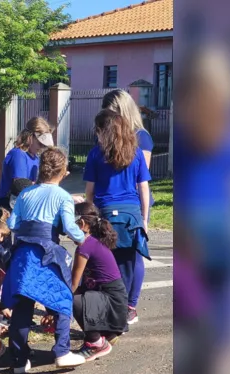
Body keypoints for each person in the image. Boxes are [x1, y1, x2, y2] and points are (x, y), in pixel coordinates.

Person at [2, 148, 86, 374]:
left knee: (22, 305)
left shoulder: (25, 194)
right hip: (46, 253)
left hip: (22, 254)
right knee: (62, 298)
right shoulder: (62, 196)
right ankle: (62, 351)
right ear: (64, 172)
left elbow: (11, 224)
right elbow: (69, 227)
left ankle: (19, 361)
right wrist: (82, 240)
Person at [84, 109, 151, 325]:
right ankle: (130, 307)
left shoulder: (95, 154)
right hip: (131, 215)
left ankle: (111, 307)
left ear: (102, 130)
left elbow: (90, 191)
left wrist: (91, 215)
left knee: (107, 263)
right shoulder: (136, 153)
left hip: (106, 212)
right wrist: (145, 219)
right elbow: (143, 188)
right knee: (132, 262)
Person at [101, 89, 155, 323]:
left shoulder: (142, 137)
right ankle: (113, 301)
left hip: (133, 204)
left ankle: (130, 305)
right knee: (111, 254)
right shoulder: (104, 134)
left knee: (134, 254)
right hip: (109, 202)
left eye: (110, 112)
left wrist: (141, 215)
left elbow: (141, 178)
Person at [71, 202, 129, 362]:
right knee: (77, 296)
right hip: (115, 301)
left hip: (112, 302)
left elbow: (73, 285)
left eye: (68, 223)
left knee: (70, 300)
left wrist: (55, 310)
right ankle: (108, 334)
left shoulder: (85, 246)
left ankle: (96, 342)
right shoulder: (94, 241)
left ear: (81, 224)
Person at [0, 118, 54, 211]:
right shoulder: (18, 155)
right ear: (30, 136)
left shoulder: (35, 158)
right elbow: (21, 186)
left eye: (44, 145)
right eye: (40, 143)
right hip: (8, 208)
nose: (42, 147)